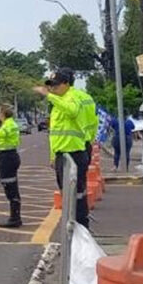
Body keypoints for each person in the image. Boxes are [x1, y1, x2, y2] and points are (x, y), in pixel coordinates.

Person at [34, 67, 89, 228]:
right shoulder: (58, 103)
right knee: (67, 194)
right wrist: (53, 155)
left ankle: (81, 228)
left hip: (74, 153)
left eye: (56, 85)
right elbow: (55, 133)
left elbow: (72, 111)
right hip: (62, 154)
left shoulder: (73, 96)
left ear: (66, 84)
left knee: (76, 194)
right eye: (51, 85)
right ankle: (72, 228)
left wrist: (49, 96)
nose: (52, 88)